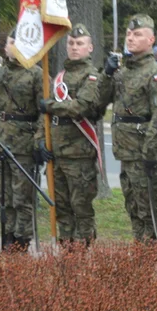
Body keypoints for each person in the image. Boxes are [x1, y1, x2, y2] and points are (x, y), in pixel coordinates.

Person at [36, 24, 108, 246]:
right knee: (61, 208)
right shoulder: (59, 77)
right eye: (71, 43)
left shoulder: (93, 77)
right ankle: (67, 253)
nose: (74, 47)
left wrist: (51, 106)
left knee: (81, 209)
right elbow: (45, 116)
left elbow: (81, 107)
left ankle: (83, 257)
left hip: (79, 155)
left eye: (80, 43)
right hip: (56, 153)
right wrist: (39, 139)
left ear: (90, 48)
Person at [107, 14, 157, 242]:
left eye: (137, 34)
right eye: (128, 34)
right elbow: (99, 101)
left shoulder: (155, 74)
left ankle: (154, 261)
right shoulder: (122, 72)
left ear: (151, 39)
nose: (130, 38)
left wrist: (149, 152)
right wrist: (107, 74)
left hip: (144, 155)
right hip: (126, 153)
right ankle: (140, 257)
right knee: (133, 209)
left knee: (149, 213)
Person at [0, 28, 42, 252]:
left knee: (22, 198)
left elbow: (44, 112)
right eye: (10, 42)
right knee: (3, 196)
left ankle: (21, 242)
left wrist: (39, 141)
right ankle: (8, 239)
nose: (12, 46)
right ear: (5, 47)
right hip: (0, 142)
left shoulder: (35, 74)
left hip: (24, 144)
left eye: (17, 42)